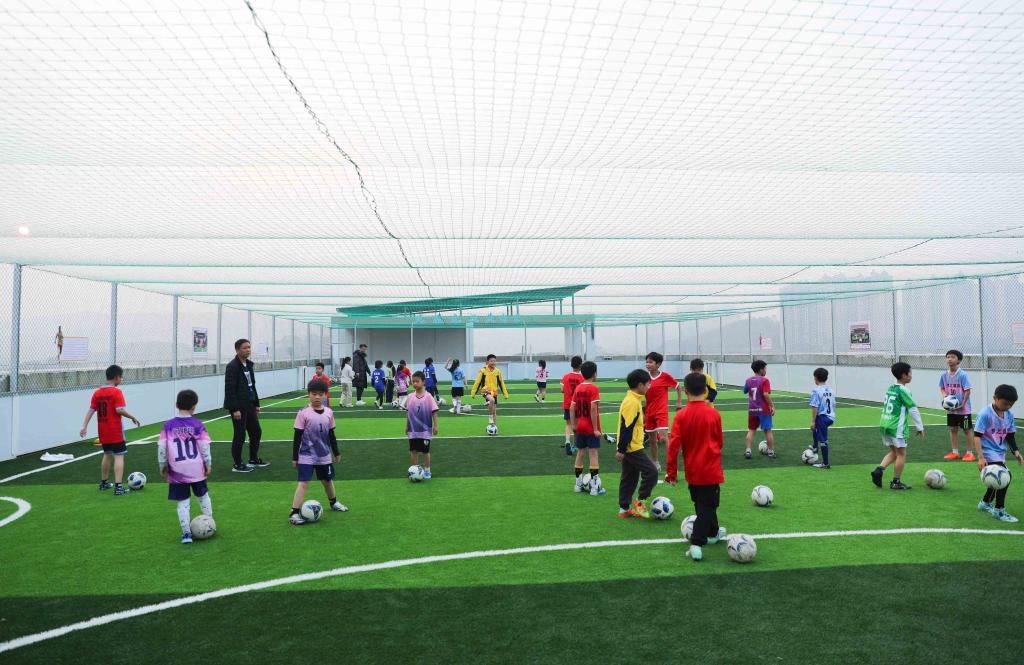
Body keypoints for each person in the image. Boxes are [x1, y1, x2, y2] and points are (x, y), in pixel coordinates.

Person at [665, 372, 727, 562]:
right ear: (706, 390)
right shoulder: (714, 414)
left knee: (703, 503)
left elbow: (673, 447)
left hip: (692, 470)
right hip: (710, 469)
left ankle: (713, 532)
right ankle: (697, 543)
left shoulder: (681, 416)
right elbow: (720, 442)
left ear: (685, 391)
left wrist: (671, 473)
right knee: (708, 505)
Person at [157, 389, 213, 544]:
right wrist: (208, 463)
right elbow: (204, 446)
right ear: (194, 407)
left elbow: (162, 447)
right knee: (203, 496)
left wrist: (162, 464)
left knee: (183, 502)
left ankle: (186, 534)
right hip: (196, 468)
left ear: (176, 405)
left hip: (177, 470)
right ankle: (209, 522)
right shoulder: (197, 424)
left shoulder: (168, 425)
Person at [289, 379, 347, 524]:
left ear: (325, 395)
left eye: (320, 394)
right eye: (314, 394)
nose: (317, 397)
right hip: (306, 455)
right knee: (303, 483)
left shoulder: (329, 412)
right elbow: (297, 436)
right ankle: (294, 513)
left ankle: (333, 502)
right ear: (308, 394)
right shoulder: (303, 413)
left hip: (324, 455)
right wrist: (295, 457)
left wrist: (336, 452)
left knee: (327, 480)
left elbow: (331, 434)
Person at [80, 364, 140, 495]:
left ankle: (104, 483)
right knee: (119, 456)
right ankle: (118, 487)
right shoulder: (116, 392)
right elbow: (119, 410)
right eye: (121, 377)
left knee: (107, 454)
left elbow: (91, 410)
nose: (121, 380)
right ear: (117, 377)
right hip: (115, 430)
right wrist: (132, 417)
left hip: (103, 431)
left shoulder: (97, 393)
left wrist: (84, 426)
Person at [871, 362, 925, 490]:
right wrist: (920, 427)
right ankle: (896, 482)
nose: (911, 375)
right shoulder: (904, 390)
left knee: (894, 452)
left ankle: (879, 470)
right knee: (901, 454)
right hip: (896, 427)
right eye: (910, 372)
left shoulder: (891, 388)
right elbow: (913, 409)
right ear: (904, 375)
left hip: (885, 423)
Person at [973, 384, 1021, 522]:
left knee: (995, 479)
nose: (1008, 407)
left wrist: (1016, 451)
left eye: (1011, 404)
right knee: (1005, 476)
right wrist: (980, 457)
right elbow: (977, 436)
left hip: (999, 452)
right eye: (1005, 403)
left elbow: (1010, 435)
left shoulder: (1009, 415)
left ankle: (985, 503)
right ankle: (999, 510)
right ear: (995, 398)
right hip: (987, 451)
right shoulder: (985, 414)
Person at [616, 369, 656, 518]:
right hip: (631, 447)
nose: (649, 387)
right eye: (647, 384)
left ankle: (623, 510)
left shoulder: (634, 399)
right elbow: (626, 427)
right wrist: (621, 449)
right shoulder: (632, 402)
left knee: (630, 477)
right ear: (640, 385)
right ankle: (640, 502)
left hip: (631, 445)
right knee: (651, 472)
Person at [223, 339, 267, 473]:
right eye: (244, 348)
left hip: (250, 405)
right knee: (240, 435)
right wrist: (234, 409)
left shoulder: (249, 365)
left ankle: (253, 459)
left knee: (256, 432)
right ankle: (237, 464)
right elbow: (230, 389)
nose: (248, 350)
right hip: (239, 407)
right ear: (237, 350)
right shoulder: (232, 366)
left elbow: (252, 386)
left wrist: (256, 404)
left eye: (249, 347)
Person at [571, 361, 605, 496]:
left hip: (580, 427)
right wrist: (596, 429)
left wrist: (574, 425)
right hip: (590, 428)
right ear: (595, 374)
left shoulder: (578, 388)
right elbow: (593, 409)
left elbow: (572, 407)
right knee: (593, 454)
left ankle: (578, 485)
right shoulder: (594, 389)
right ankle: (594, 488)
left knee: (580, 453)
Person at [644, 352, 682, 471]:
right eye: (647, 362)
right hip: (649, 412)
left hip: (661, 411)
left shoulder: (665, 376)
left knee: (664, 438)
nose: (648, 364)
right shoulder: (644, 377)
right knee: (652, 440)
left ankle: (671, 466)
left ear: (658, 364)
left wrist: (679, 402)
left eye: (650, 362)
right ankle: (655, 464)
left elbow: (678, 387)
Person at [940, 349, 975, 462]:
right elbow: (942, 387)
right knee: (953, 429)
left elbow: (967, 390)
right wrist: (945, 396)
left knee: (967, 429)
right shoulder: (944, 375)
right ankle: (955, 452)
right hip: (951, 410)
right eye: (948, 357)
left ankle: (969, 453)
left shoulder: (962, 375)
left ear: (958, 360)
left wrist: (963, 404)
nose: (950, 359)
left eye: (953, 357)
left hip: (964, 410)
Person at [407, 371, 440, 480]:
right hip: (413, 430)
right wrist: (407, 426)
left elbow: (434, 412)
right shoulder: (410, 396)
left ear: (423, 382)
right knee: (413, 451)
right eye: (413, 381)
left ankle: (427, 470)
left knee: (425, 451)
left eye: (417, 381)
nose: (415, 383)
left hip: (425, 431)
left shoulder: (428, 396)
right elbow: (408, 413)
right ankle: (414, 470)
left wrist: (435, 426)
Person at [743, 359, 775, 459]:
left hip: (752, 410)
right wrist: (772, 406)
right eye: (765, 368)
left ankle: (748, 450)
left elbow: (745, 390)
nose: (766, 370)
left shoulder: (748, 380)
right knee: (767, 431)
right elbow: (766, 394)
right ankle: (771, 452)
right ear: (761, 370)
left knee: (751, 430)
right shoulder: (765, 380)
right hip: (764, 410)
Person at [471, 354, 510, 429]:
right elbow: (477, 382)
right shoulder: (483, 371)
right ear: (487, 362)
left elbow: (501, 383)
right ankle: (490, 418)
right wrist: (473, 393)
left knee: (494, 410)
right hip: (486, 391)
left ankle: (494, 427)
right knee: (492, 400)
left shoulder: (497, 371)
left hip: (494, 392)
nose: (493, 362)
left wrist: (505, 394)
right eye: (491, 361)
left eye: (494, 361)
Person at [808, 367, 836, 469]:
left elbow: (815, 406)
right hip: (830, 417)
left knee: (823, 439)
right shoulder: (831, 390)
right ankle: (815, 447)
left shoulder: (816, 391)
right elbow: (833, 404)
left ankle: (825, 463)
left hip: (823, 418)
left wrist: (813, 421)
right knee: (815, 429)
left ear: (815, 378)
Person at [560, 356, 585, 453]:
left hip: (567, 404)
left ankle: (567, 441)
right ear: (580, 365)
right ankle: (575, 445)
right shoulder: (582, 378)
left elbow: (562, 390)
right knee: (576, 426)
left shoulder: (566, 376)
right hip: (578, 405)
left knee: (568, 424)